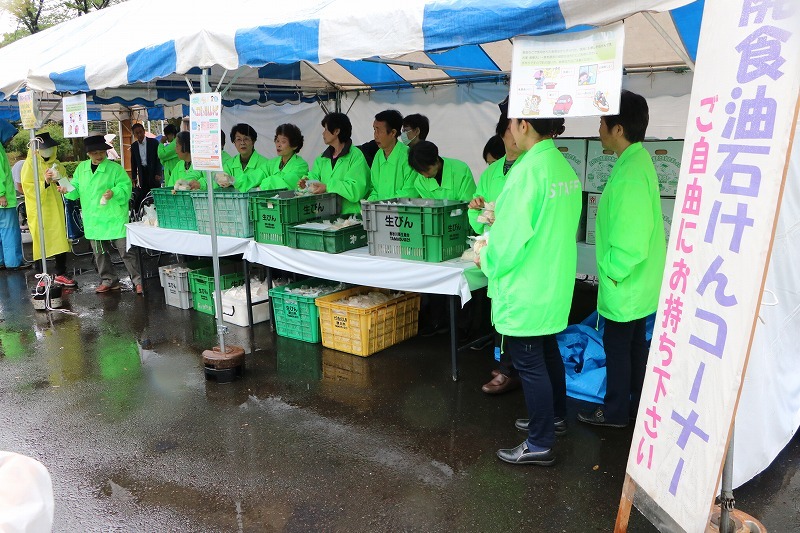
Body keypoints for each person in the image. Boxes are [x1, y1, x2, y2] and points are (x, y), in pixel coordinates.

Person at [478, 116, 581, 466]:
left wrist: (484, 257)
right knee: (548, 351)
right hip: (551, 280)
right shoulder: (560, 165)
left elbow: (508, 245)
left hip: (527, 285)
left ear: (523, 124)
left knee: (530, 362)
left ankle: (539, 442)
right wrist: (500, 217)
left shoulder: (527, 171)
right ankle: (554, 417)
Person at [578, 90, 666, 428]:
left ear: (618, 129)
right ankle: (633, 406)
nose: (599, 127)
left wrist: (612, 272)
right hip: (637, 282)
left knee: (619, 347)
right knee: (632, 346)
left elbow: (631, 241)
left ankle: (615, 413)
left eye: (602, 121)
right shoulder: (635, 161)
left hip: (627, 280)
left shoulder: (630, 171)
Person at [472, 114, 524, 395]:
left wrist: (499, 219)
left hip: (515, 250)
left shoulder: (528, 168)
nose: (516, 135)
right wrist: (476, 208)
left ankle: (510, 370)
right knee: (500, 311)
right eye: (511, 130)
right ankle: (506, 364)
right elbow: (477, 212)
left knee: (515, 311)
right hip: (493, 249)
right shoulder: (492, 172)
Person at [60, 135, 142, 295]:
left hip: (114, 216)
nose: (99, 156)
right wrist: (66, 188)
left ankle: (138, 281)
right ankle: (109, 280)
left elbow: (125, 186)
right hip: (93, 218)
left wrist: (114, 192)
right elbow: (75, 189)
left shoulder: (115, 168)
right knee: (100, 253)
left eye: (102, 152)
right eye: (95, 153)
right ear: (88, 154)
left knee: (125, 251)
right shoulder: (81, 168)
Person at [21, 132, 76, 287]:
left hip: (56, 208)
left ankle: (60, 273)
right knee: (40, 241)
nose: (48, 151)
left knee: (59, 237)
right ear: (37, 149)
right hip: (38, 210)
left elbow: (67, 185)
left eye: (50, 148)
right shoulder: (30, 164)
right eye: (45, 148)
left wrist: (61, 183)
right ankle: (41, 276)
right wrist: (44, 182)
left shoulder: (57, 164)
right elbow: (28, 187)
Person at [300, 112, 370, 215]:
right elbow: (315, 176)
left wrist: (328, 187)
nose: (323, 133)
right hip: (325, 213)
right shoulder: (322, 158)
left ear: (336, 131)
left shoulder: (356, 156)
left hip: (350, 217)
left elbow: (355, 190)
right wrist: (307, 182)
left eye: (326, 129)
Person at [366, 109, 419, 202]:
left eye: (379, 131)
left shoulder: (408, 156)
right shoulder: (378, 155)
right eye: (374, 130)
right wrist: (370, 203)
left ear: (393, 133)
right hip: (380, 212)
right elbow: (374, 188)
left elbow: (410, 191)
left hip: (401, 214)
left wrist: (386, 205)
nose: (375, 135)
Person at [408, 140, 476, 201]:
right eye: (421, 172)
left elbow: (468, 204)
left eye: (427, 170)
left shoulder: (461, 170)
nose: (425, 176)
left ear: (436, 160)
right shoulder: (420, 182)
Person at [0, 138, 27, 271]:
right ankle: (13, 262)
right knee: (9, 231)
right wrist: (1, 194)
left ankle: (1, 261)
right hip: (4, 200)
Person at [259, 124, 308, 191]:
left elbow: (287, 184)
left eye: (283, 142)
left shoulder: (301, 165)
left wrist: (264, 185)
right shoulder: (271, 163)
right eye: (277, 141)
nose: (278, 145)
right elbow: (255, 177)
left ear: (294, 145)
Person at [222, 123, 269, 192]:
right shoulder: (229, 164)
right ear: (234, 142)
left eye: (246, 139)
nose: (242, 143)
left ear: (253, 141)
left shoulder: (265, 164)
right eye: (238, 139)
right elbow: (220, 180)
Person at [130, 123, 162, 195]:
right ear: (134, 135)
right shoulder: (134, 146)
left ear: (144, 131)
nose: (139, 135)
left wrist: (158, 173)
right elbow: (133, 162)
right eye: (137, 133)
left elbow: (158, 159)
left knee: (155, 192)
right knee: (143, 192)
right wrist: (134, 176)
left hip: (153, 171)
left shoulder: (153, 142)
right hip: (142, 171)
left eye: (140, 132)